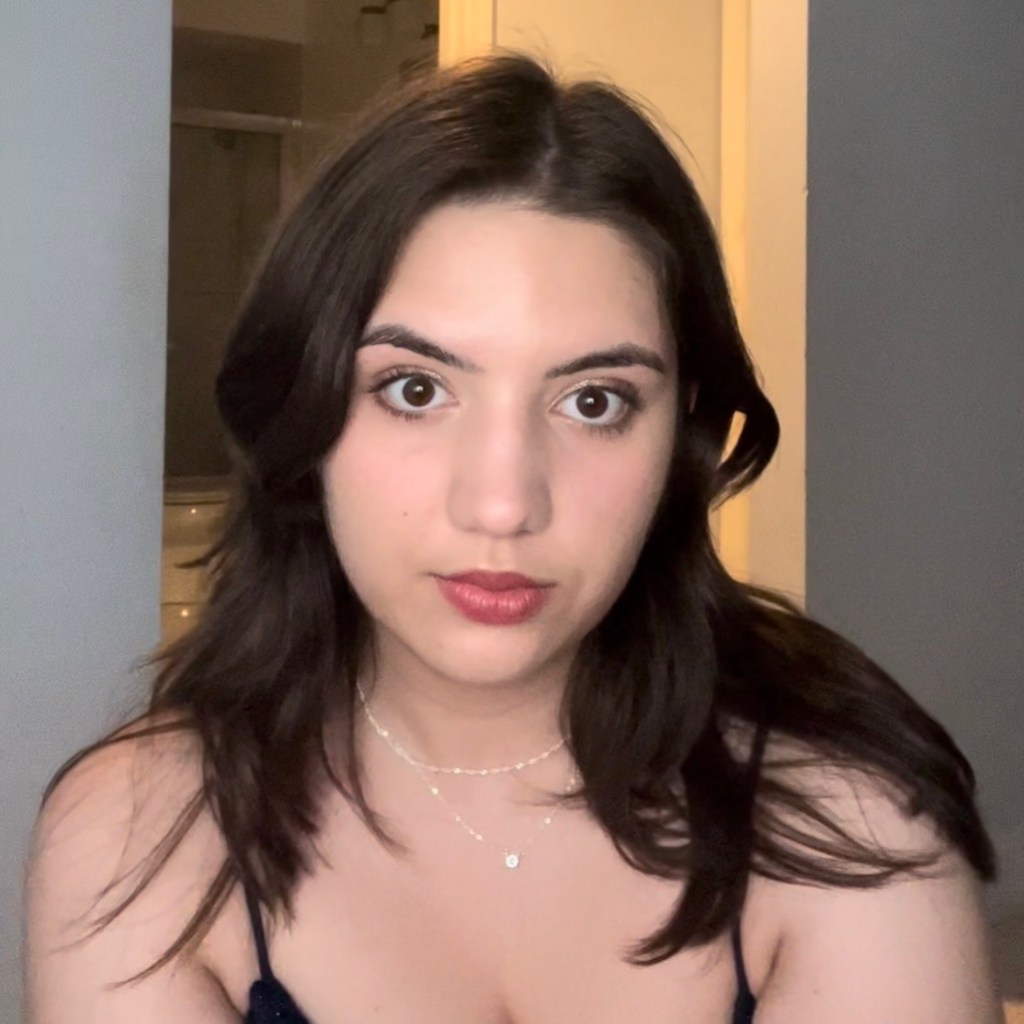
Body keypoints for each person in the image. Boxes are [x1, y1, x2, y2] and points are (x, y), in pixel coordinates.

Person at [25, 53, 1002, 1023]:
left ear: (680, 437)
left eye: (593, 401)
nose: (501, 505)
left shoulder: (849, 830)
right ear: (306, 410)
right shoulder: (140, 838)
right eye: (416, 390)